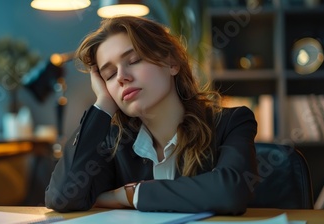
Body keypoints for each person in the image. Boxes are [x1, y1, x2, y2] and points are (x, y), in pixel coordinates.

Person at [45, 16, 258, 215]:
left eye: (134, 60)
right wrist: (102, 106)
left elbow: (230, 192)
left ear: (172, 63)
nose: (121, 77)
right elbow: (62, 197)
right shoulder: (115, 143)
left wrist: (129, 194)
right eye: (109, 75)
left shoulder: (231, 123)